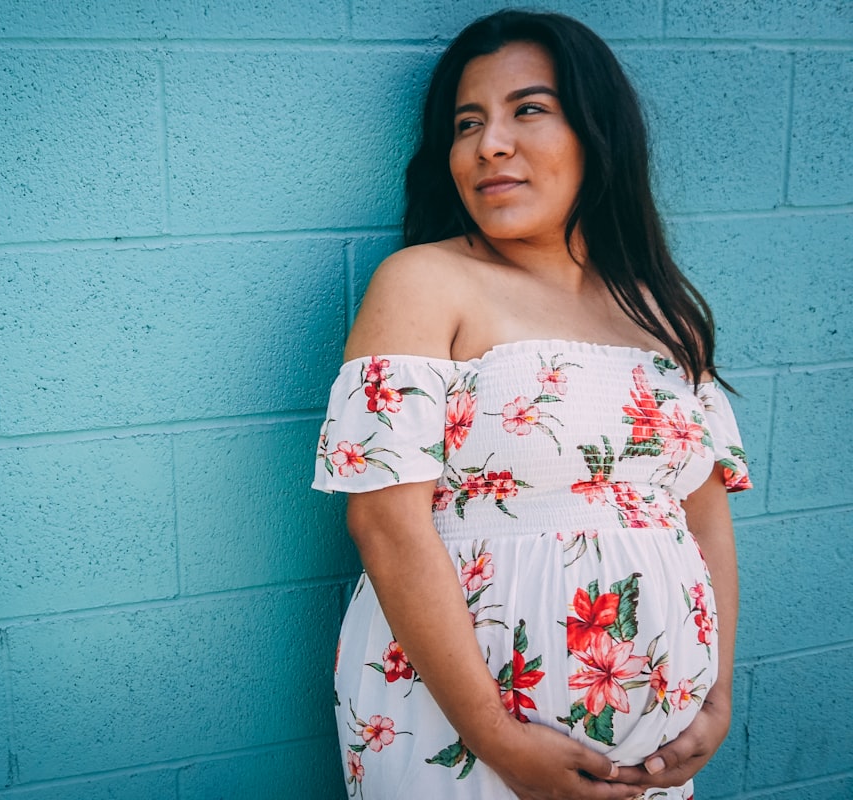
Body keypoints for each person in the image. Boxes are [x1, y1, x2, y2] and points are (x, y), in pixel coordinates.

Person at [312, 9, 751, 800]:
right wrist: (498, 740)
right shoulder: (424, 282)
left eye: (529, 109)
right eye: (467, 122)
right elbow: (384, 521)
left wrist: (715, 700)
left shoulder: (665, 312)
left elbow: (705, 515)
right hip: (463, 732)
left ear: (597, 132)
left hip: (653, 754)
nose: (489, 145)